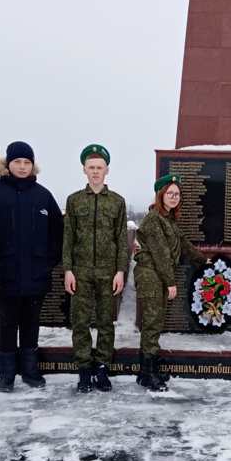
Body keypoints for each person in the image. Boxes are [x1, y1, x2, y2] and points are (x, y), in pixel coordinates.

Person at [0, 141, 63, 393]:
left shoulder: (43, 196)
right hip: (3, 276)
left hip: (35, 276)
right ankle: (6, 374)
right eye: (17, 162)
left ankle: (29, 370)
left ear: (33, 165)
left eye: (27, 162)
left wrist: (48, 261)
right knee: (6, 324)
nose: (22, 166)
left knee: (30, 323)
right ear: (8, 164)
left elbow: (57, 234)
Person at [62, 144, 128, 394]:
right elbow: (68, 238)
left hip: (108, 273)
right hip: (80, 272)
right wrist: (68, 269)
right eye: (91, 167)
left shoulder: (117, 202)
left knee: (105, 323)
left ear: (107, 170)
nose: (96, 172)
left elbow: (122, 239)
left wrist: (121, 271)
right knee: (79, 322)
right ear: (84, 170)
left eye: (100, 167)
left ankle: (102, 368)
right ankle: (84, 370)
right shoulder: (75, 200)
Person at [134, 174, 206, 391]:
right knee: (152, 325)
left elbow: (183, 244)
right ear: (161, 195)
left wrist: (204, 260)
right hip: (151, 276)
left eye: (177, 194)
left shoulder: (169, 219)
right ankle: (147, 374)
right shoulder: (154, 219)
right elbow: (162, 254)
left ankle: (148, 370)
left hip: (158, 276)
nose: (174, 197)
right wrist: (171, 282)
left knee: (154, 324)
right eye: (170, 193)